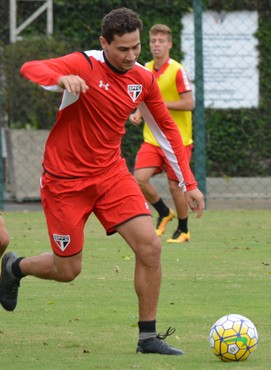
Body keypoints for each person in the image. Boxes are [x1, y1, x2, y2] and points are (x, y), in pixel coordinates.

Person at [0, 8, 205, 355]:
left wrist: (189, 183)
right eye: (122, 49)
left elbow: (167, 130)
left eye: (136, 47)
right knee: (67, 270)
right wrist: (60, 78)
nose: (131, 56)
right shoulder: (84, 64)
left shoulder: (144, 79)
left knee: (150, 246)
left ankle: (148, 337)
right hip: (64, 181)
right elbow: (30, 68)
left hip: (110, 176)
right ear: (103, 43)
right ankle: (14, 267)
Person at [129, 24, 194, 243]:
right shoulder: (144, 68)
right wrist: (138, 112)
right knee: (138, 179)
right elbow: (142, 97)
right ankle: (164, 212)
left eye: (161, 41)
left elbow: (189, 103)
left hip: (178, 139)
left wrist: (160, 104)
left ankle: (183, 229)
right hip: (152, 139)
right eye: (153, 41)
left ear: (170, 44)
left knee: (175, 186)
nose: (157, 45)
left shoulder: (178, 70)